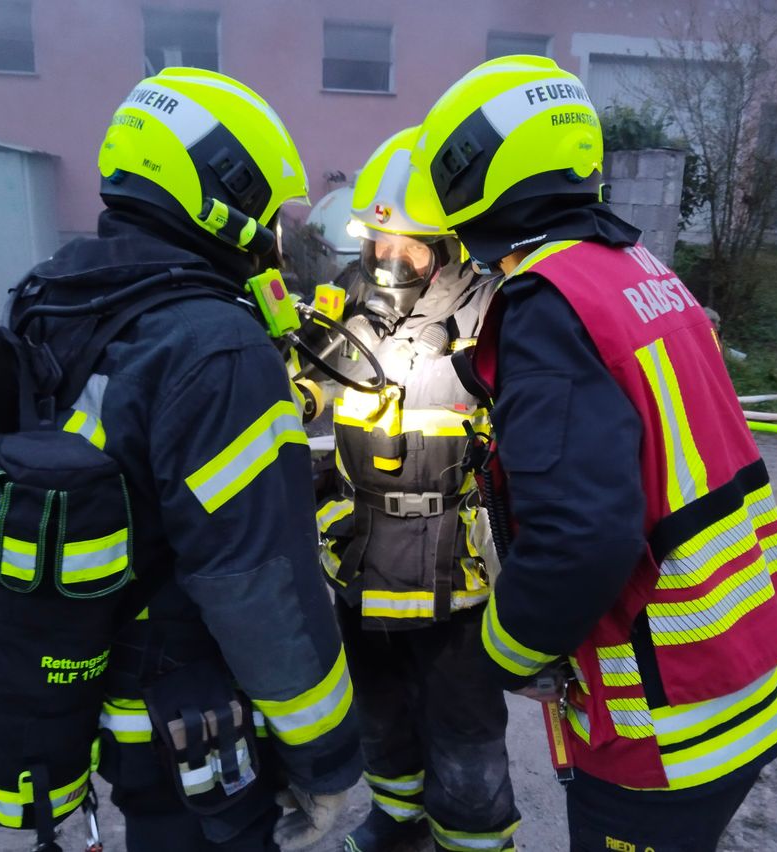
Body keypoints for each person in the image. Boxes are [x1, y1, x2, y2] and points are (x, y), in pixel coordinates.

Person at [408, 55, 777, 852]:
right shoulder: (636, 268)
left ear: (469, 175)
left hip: (670, 722)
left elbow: (580, 540)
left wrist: (499, 655)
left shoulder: (547, 303)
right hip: (742, 668)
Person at [7, 67, 360, 852]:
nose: (271, 235)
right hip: (192, 714)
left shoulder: (49, 295)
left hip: (86, 682)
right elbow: (257, 582)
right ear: (226, 192)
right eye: (266, 211)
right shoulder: (216, 346)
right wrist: (326, 757)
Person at [315, 127, 520, 852]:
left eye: (409, 246)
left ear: (451, 246)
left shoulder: (494, 314)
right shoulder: (344, 306)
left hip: (455, 575)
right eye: (377, 243)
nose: (389, 260)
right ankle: (398, 821)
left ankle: (475, 840)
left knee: (464, 729)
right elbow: (305, 394)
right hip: (361, 560)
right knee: (380, 712)